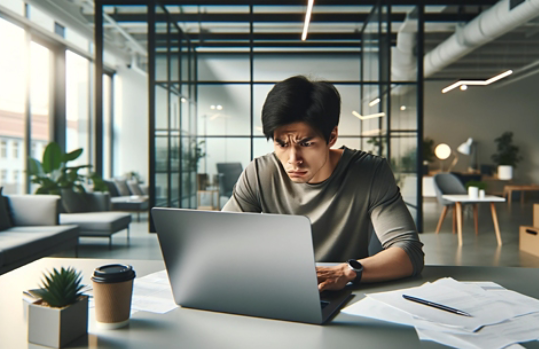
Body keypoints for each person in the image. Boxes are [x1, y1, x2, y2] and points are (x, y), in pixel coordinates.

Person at [222, 75, 424, 292]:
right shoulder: (259, 173)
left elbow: (409, 252)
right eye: (281, 144)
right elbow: (218, 238)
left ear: (332, 136)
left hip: (344, 291)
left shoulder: (370, 172)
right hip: (277, 288)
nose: (293, 160)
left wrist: (346, 272)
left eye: (306, 143)